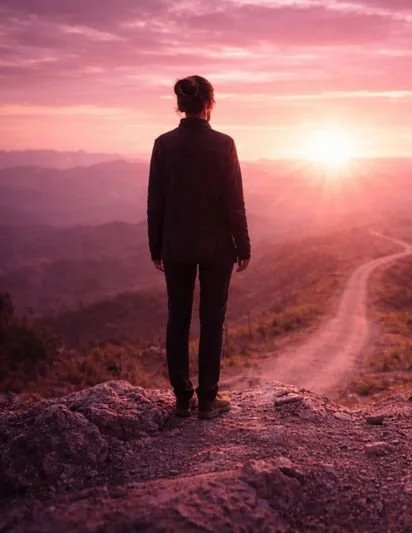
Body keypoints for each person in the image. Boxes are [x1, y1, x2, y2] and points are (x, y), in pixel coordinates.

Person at [147, 75, 251, 420]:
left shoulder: (163, 144)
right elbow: (234, 202)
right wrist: (243, 245)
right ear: (209, 104)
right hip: (217, 247)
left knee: (177, 319)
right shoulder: (224, 144)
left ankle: (182, 398)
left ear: (180, 105)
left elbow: (156, 202)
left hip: (175, 245)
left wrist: (155, 247)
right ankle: (207, 399)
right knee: (211, 321)